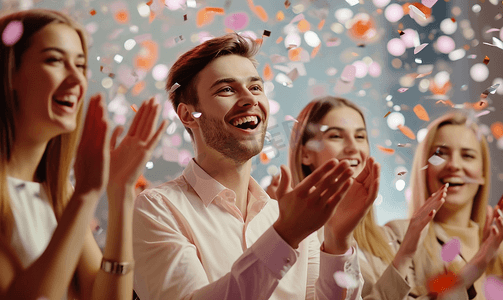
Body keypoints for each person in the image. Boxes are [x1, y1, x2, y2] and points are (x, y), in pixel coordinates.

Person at [132, 33, 378, 300]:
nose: (250, 99)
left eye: (256, 87)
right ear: (189, 115)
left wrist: (338, 241)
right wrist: (284, 236)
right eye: (226, 89)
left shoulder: (286, 217)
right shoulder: (158, 209)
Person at [0, 9, 166, 299]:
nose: (77, 79)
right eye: (54, 60)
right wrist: (85, 196)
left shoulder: (60, 193)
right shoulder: (73, 197)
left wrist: (121, 193)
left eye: (80, 65)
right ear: (9, 73)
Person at [271, 95, 450, 299]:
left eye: (360, 137)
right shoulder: (295, 242)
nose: (353, 148)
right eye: (336, 136)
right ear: (305, 154)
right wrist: (405, 255)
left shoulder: (387, 237)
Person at [387, 112, 503, 299]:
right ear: (424, 168)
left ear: (482, 172)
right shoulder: (398, 237)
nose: (454, 165)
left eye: (467, 155)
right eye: (440, 154)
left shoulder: (500, 246)